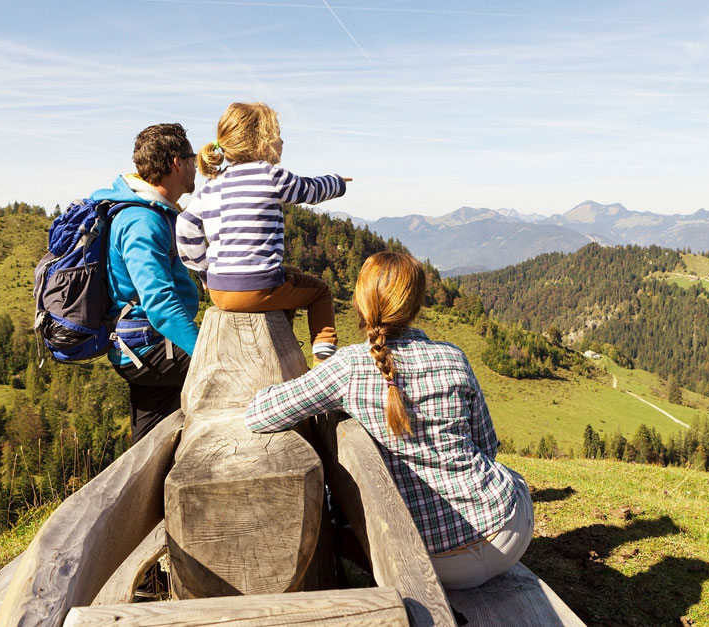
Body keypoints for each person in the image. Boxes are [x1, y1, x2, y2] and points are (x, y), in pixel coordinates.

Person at [244, 252, 534, 590]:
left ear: (359, 303)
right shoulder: (454, 357)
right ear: (415, 305)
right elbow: (487, 447)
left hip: (427, 559)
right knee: (514, 480)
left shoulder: (349, 367)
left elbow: (259, 413)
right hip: (508, 536)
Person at [175, 102, 349, 364]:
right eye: (277, 135)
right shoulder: (270, 175)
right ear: (262, 141)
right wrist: (337, 183)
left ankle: (281, 339)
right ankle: (324, 358)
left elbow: (185, 225)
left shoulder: (212, 184)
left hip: (219, 292)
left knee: (293, 274)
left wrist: (205, 272)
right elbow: (311, 190)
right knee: (320, 292)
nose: (282, 141)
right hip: (260, 288)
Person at [90, 123, 200, 443]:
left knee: (150, 443)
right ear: (177, 163)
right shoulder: (143, 221)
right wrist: (206, 352)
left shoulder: (151, 212)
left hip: (140, 346)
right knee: (242, 371)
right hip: (150, 348)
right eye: (191, 158)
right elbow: (160, 304)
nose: (196, 165)